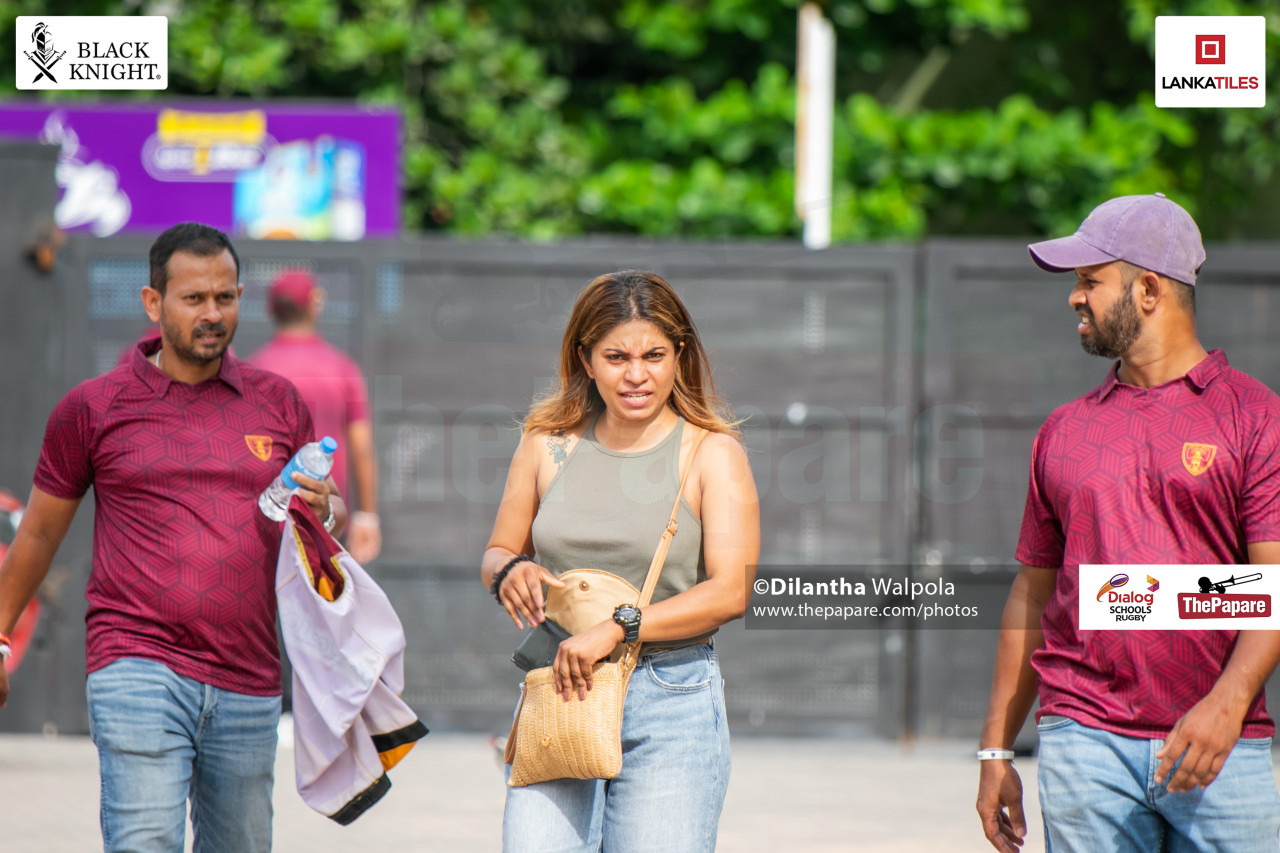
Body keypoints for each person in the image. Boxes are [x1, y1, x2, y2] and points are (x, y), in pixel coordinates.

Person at [0, 222, 346, 853]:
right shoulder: (94, 408)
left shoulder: (278, 402)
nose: (212, 313)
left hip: (248, 674)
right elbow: (41, 533)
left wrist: (330, 512)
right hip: (135, 660)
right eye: (194, 298)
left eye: (225, 297)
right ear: (153, 303)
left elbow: (324, 514)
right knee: (145, 841)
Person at [976, 193, 1280, 852]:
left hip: (1222, 749)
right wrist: (995, 749)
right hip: (1083, 744)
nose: (1074, 297)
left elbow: (1272, 585)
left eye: (1090, 280)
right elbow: (1032, 594)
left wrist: (1226, 706)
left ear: (1147, 290)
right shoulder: (1064, 430)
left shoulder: (1256, 418)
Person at [481, 270, 760, 852]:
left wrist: (617, 628)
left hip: (672, 696)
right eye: (616, 357)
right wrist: (510, 571)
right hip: (562, 685)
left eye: (654, 355)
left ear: (679, 355)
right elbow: (499, 552)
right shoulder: (546, 444)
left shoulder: (713, 454)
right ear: (586, 360)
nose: (637, 375)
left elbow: (731, 592)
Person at [248, 269, 381, 564]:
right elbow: (363, 447)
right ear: (314, 305)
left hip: (265, 518)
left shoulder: (253, 369)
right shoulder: (342, 368)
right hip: (325, 517)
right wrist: (367, 515)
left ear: (270, 309)